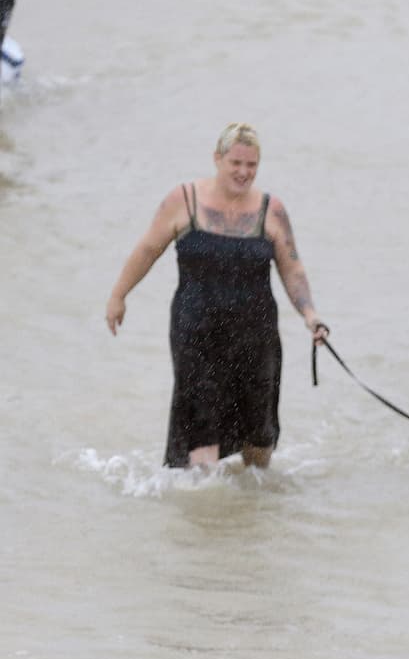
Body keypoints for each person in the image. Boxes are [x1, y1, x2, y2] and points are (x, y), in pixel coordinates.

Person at [105, 123, 329, 469]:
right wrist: (119, 295)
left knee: (259, 434)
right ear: (217, 159)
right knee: (201, 428)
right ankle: (205, 513)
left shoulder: (271, 210)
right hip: (196, 332)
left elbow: (292, 269)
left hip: (255, 335)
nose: (243, 172)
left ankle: (252, 510)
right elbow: (148, 249)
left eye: (251, 165)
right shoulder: (184, 200)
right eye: (235, 163)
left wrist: (311, 315)